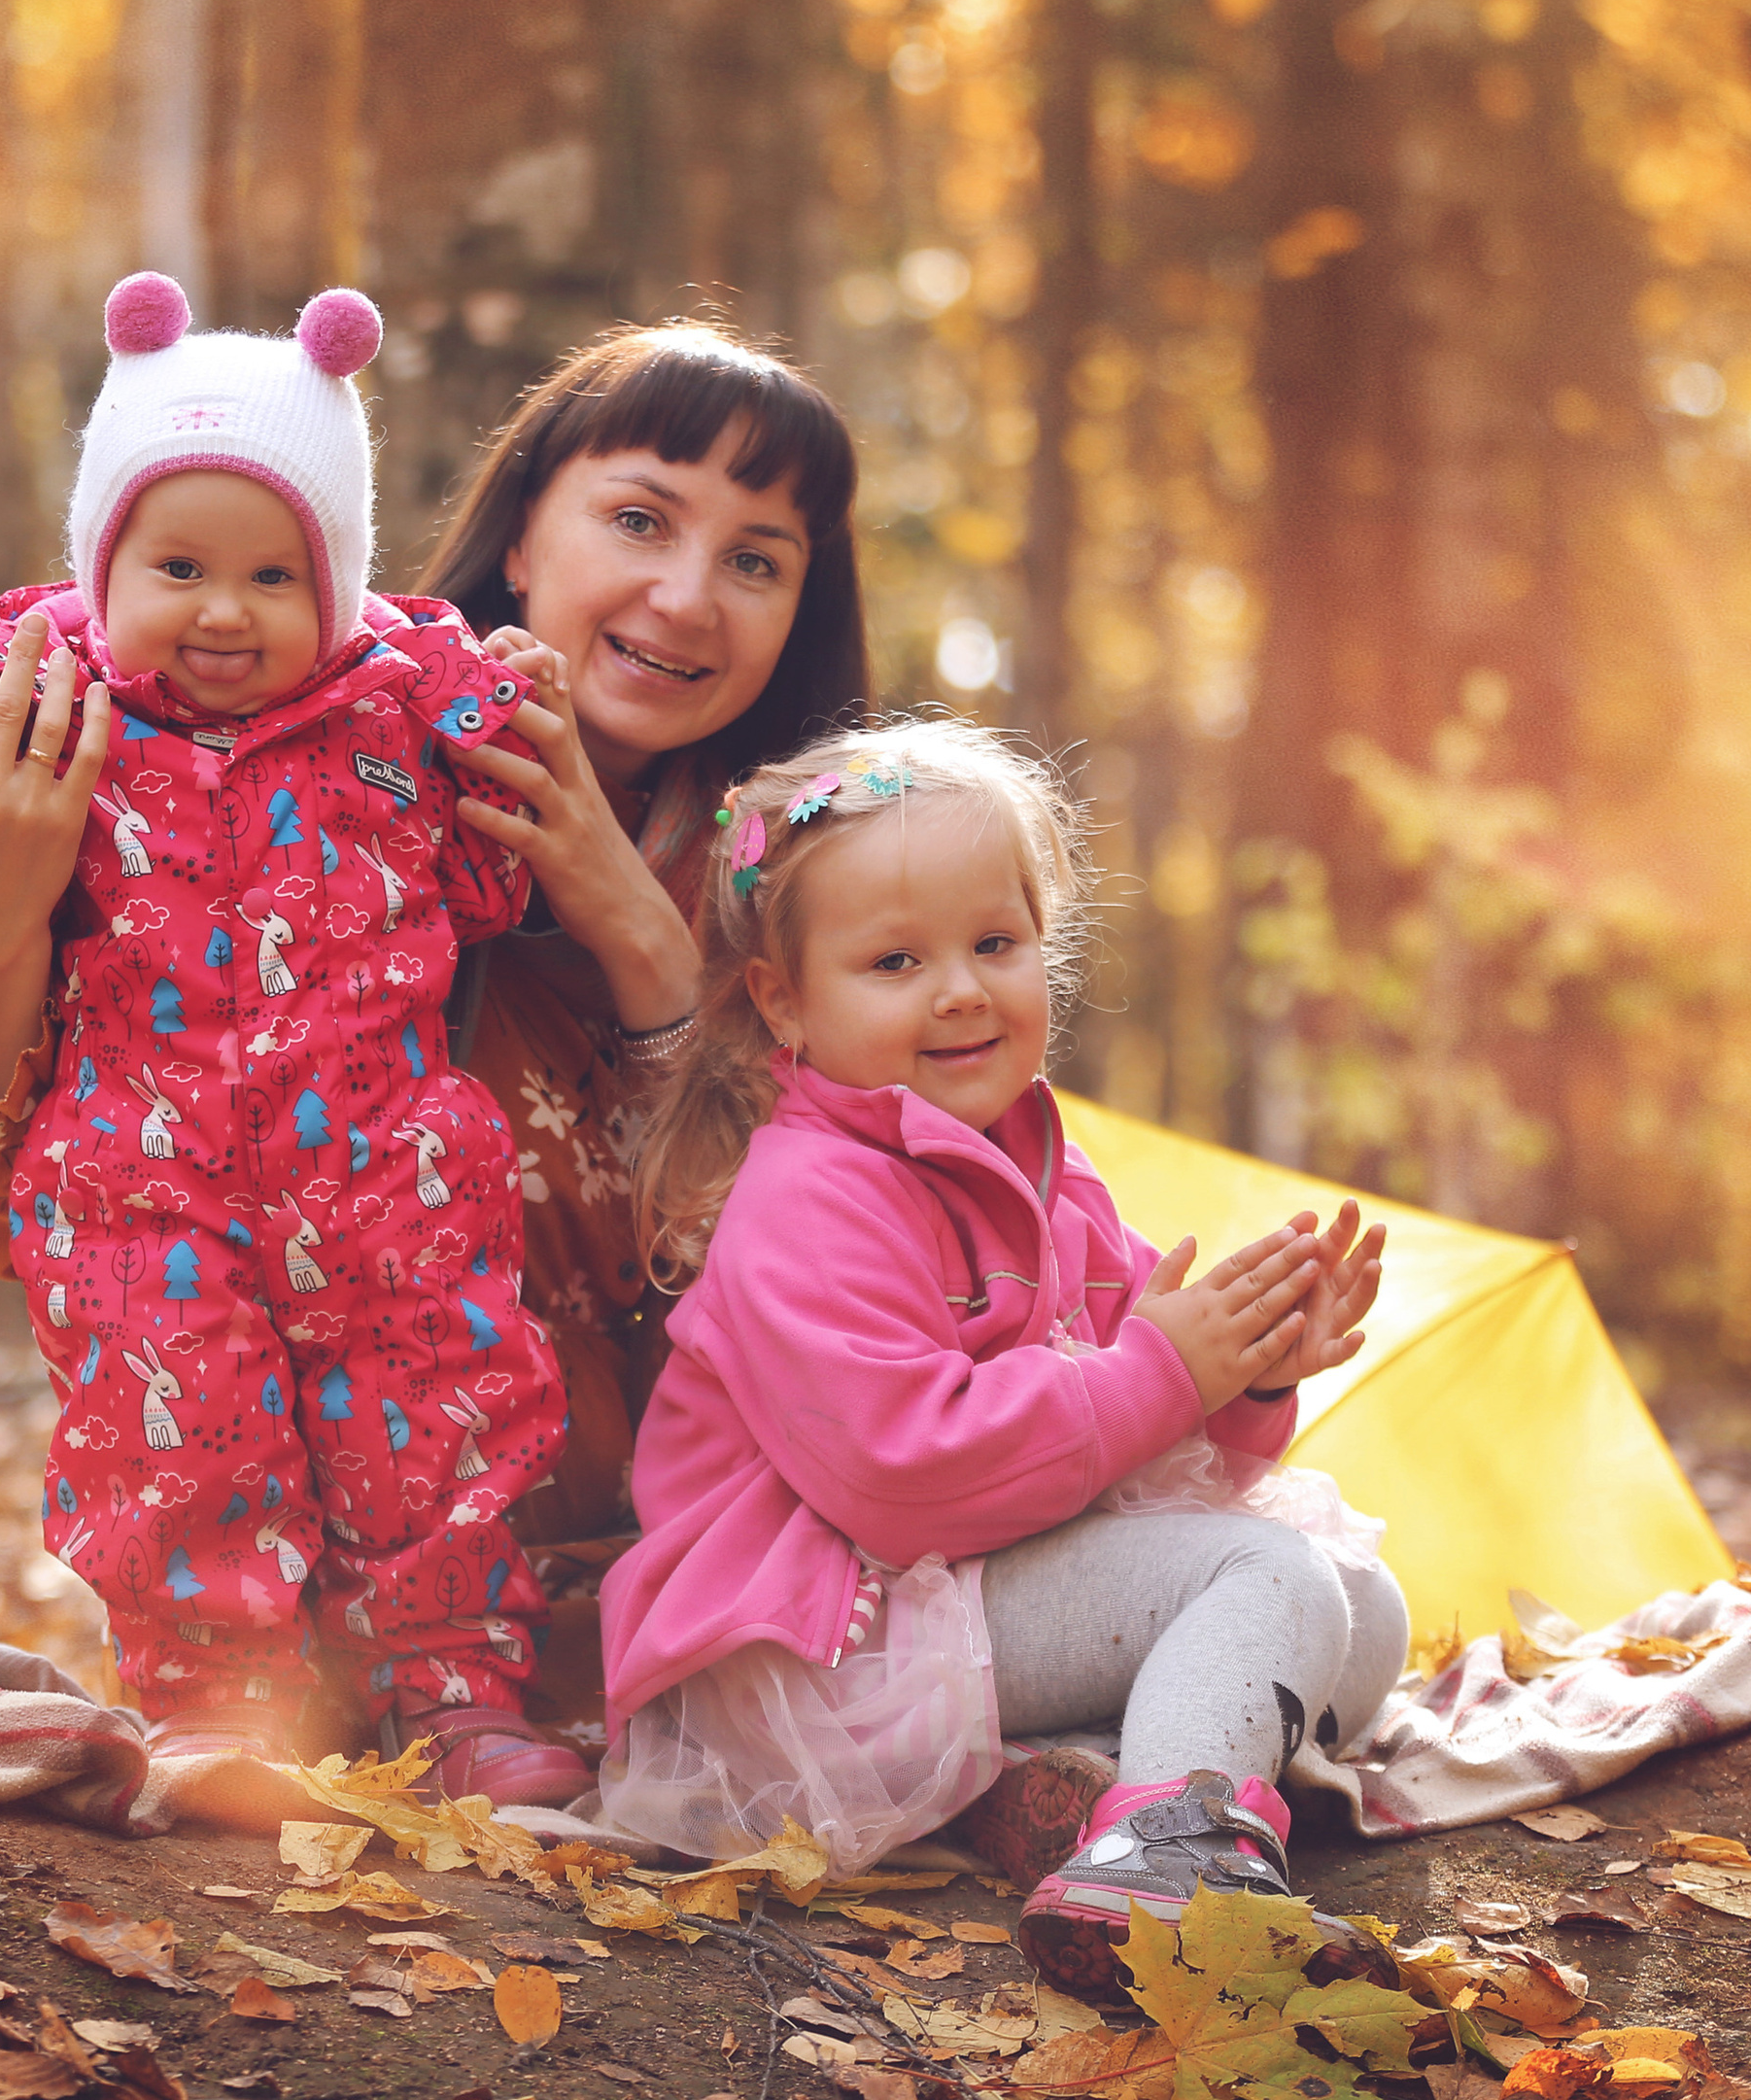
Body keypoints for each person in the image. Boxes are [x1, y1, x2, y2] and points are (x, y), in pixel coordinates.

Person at [0, 319, 870, 1563]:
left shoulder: (833, 871)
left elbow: (857, 1265)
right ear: (518, 532)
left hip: (736, 1581)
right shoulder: (250, 759)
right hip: (315, 1612)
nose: (683, 597)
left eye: (757, 561)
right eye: (638, 521)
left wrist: (638, 932)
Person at [0, 270, 588, 1807]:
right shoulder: (47, 704)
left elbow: (483, 873)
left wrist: (501, 708)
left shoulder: (392, 704)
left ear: (338, 586)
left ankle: (455, 1685)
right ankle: (223, 1701)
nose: (222, 611)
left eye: (276, 576)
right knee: (172, 1422)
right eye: (178, 564)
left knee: (437, 1403)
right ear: (100, 565)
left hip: (383, 1157)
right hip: (139, 1167)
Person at [595, 715, 1408, 1997]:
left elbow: (1156, 1422)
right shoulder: (805, 1199)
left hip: (973, 1576)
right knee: (1273, 1578)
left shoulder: (1037, 1155)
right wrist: (1164, 1371)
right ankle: (1161, 1854)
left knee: (1367, 1612)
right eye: (896, 960)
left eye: (994, 944)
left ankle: (1087, 1781)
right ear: (784, 1001)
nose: (962, 989)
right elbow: (900, 1474)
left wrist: (1248, 1369)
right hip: (834, 1628)